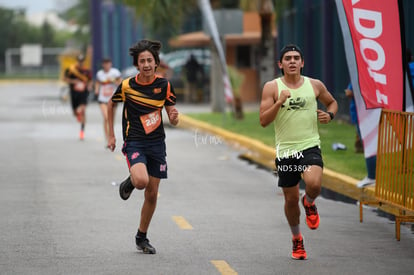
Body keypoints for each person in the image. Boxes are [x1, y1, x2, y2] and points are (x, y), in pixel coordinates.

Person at [259, 44, 338, 260]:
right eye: (287, 58)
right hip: (286, 152)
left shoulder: (315, 85)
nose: (292, 61)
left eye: (296, 58)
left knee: (314, 184)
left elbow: (332, 103)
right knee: (291, 199)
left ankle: (310, 202)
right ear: (280, 64)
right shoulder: (272, 87)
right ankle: (297, 239)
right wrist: (279, 102)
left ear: (302, 63)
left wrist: (329, 115)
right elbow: (264, 120)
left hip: (309, 145)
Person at [107, 39, 179, 254]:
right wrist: (111, 135)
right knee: (141, 181)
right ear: (137, 65)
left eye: (150, 60)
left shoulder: (164, 85)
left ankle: (141, 237)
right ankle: (130, 181)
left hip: (157, 144)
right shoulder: (128, 85)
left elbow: (172, 115)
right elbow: (111, 104)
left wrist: (174, 117)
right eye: (142, 61)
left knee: (151, 194)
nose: (146, 64)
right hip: (135, 141)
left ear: (156, 63)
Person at [64, 54, 92, 140]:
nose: (81, 63)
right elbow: (65, 79)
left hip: (83, 93)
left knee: (83, 110)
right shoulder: (71, 70)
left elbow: (90, 81)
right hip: (74, 93)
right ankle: (77, 114)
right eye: (79, 61)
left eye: (82, 61)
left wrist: (89, 86)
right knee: (75, 112)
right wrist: (74, 81)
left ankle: (82, 132)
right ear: (77, 61)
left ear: (84, 61)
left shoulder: (87, 71)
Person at [94, 58, 122, 145]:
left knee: (111, 119)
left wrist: (114, 81)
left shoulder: (115, 72)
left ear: (110, 64)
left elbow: (120, 82)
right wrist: (96, 90)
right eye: (105, 64)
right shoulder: (100, 74)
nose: (106, 65)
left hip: (113, 99)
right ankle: (107, 139)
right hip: (102, 99)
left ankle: (111, 136)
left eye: (108, 63)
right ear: (103, 65)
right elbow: (98, 83)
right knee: (106, 117)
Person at [344, 83, 363, 153]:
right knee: (359, 130)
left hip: (365, 110)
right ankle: (360, 146)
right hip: (356, 110)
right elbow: (348, 93)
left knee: (361, 130)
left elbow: (349, 93)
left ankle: (362, 146)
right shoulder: (354, 81)